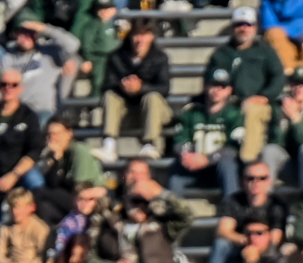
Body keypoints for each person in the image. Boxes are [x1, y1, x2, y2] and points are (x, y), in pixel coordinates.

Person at [205, 7, 284, 163]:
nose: (244, 28)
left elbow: (278, 78)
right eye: (239, 24)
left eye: (248, 24)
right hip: (228, 103)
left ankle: (248, 162)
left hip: (260, 104)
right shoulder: (221, 53)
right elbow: (211, 80)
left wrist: (264, 97)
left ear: (255, 27)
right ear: (233, 27)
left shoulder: (266, 52)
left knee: (251, 110)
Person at [103, 18, 173, 160]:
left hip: (153, 112)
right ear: (130, 36)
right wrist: (123, 86)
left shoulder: (160, 58)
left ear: (152, 36)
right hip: (126, 112)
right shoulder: (116, 57)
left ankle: (150, 143)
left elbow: (164, 88)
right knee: (110, 95)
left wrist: (141, 88)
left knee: (152, 97)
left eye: (145, 35)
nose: (140, 40)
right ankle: (109, 144)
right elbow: (106, 85)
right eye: (136, 35)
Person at [169, 70, 243, 200]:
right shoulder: (191, 112)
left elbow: (234, 147)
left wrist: (208, 159)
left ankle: (231, 212)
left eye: (222, 87)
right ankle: (173, 216)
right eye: (213, 85)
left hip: (218, 167)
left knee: (228, 165)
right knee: (175, 173)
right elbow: (180, 139)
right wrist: (187, 156)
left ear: (229, 90)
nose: (217, 90)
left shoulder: (234, 115)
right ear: (205, 86)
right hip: (193, 166)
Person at [0, 16, 80, 125]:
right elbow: (0, 87)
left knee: (41, 123)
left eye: (30, 33)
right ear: (15, 35)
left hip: (44, 110)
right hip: (17, 111)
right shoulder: (7, 57)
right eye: (22, 33)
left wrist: (45, 29)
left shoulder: (49, 51)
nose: (26, 37)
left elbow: (73, 44)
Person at [0, 70, 45, 195]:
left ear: (21, 88)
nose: (8, 88)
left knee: (35, 180)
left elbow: (35, 150)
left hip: (21, 172)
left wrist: (14, 175)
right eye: (4, 84)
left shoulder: (29, 116)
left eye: (14, 85)